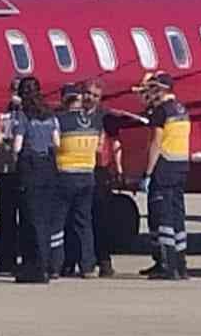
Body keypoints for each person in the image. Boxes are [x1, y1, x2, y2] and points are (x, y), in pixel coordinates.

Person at [82, 79, 145, 278]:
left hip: (100, 171)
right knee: (81, 218)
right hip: (80, 169)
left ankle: (104, 261)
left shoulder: (105, 118)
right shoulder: (76, 116)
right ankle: (82, 261)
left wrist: (118, 168)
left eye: (94, 95)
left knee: (100, 218)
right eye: (87, 93)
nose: (90, 98)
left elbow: (116, 143)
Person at [135, 70, 190, 280]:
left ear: (163, 90)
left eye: (155, 88)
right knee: (178, 216)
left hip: (165, 167)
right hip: (181, 166)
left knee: (163, 217)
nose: (153, 92)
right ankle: (181, 264)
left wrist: (148, 173)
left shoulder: (161, 112)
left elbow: (156, 143)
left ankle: (168, 266)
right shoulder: (182, 109)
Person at [9, 77, 60, 284]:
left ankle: (34, 267)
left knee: (31, 219)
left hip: (30, 168)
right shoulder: (50, 115)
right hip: (48, 166)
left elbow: (17, 147)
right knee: (45, 219)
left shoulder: (23, 116)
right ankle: (47, 263)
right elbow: (57, 142)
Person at [53, 83, 104, 277]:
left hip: (65, 174)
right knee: (84, 223)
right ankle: (88, 265)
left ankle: (55, 265)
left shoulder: (59, 120)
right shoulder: (94, 122)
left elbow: (54, 145)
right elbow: (99, 148)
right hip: (87, 175)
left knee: (58, 223)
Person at [0, 80, 24, 274]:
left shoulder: (30, 116)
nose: (15, 95)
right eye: (13, 90)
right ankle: (6, 258)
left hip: (23, 171)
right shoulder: (3, 115)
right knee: (5, 216)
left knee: (26, 216)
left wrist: (4, 139)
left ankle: (28, 258)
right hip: (5, 169)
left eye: (18, 91)